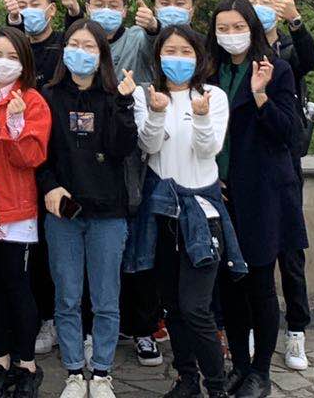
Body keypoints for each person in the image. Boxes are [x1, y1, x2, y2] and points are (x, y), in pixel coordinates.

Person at [128, 25, 243, 398]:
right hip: (161, 212)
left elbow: (209, 150)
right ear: (158, 56)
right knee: (173, 306)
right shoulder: (147, 95)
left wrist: (202, 117)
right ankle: (187, 380)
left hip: (202, 214)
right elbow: (148, 146)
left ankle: (216, 386)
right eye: (170, 51)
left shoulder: (213, 96)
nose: (177, 59)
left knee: (196, 307)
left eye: (185, 52)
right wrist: (157, 112)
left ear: (199, 57)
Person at [63, 0, 163, 367]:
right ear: (87, 7)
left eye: (113, 5)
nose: (106, 11)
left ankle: (142, 330)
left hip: (126, 174)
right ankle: (87, 336)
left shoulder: (137, 41)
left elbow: (159, 51)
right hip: (79, 181)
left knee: (134, 256)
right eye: (98, 4)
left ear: (125, 8)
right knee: (84, 271)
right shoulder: (67, 82)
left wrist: (153, 29)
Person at [209, 0, 306, 398]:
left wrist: (261, 95)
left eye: (238, 27)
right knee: (230, 286)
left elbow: (289, 133)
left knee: (260, 285)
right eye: (223, 28)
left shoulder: (275, 69)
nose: (231, 35)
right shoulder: (209, 72)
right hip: (220, 194)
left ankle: (260, 371)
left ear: (251, 28)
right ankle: (240, 365)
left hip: (263, 194)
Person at [38, 21, 139, 398]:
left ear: (102, 55)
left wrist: (125, 104)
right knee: (66, 297)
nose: (80, 52)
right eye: (74, 44)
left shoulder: (114, 95)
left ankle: (101, 373)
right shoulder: (49, 96)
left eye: (89, 46)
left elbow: (122, 149)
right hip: (64, 212)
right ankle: (74, 373)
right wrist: (49, 185)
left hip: (108, 212)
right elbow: (39, 154)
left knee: (105, 299)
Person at [242, 0, 314, 372]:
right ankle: (255, 326)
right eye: (251, 1)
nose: (259, 7)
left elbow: (310, 59)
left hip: (285, 161)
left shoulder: (287, 52)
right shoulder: (239, 53)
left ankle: (297, 330)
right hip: (249, 163)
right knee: (253, 253)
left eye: (266, 1)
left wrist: (296, 22)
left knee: (290, 253)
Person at [0, 28, 50, 398]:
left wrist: (16, 125)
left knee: (17, 286)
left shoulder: (32, 100)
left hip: (16, 209)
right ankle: (1, 363)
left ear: (24, 62)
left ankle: (27, 365)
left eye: (12, 56)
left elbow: (31, 158)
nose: (2, 62)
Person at [1, 0, 63, 357]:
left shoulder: (64, 48)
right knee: (29, 250)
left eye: (34, 4)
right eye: (21, 6)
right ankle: (36, 317)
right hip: (19, 159)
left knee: (55, 247)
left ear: (52, 9)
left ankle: (56, 318)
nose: (27, 12)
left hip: (56, 156)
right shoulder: (13, 51)